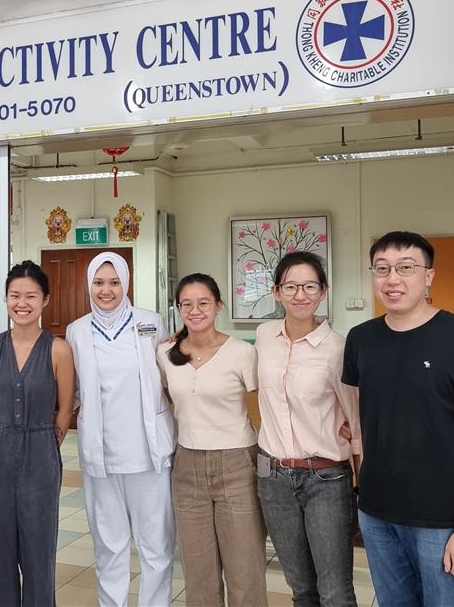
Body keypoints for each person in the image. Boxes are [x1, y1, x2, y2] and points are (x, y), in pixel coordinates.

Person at [343, 231, 454, 607]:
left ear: (429, 276)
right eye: (382, 269)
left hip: (442, 520)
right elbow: (362, 422)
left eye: (406, 268)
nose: (392, 279)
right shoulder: (361, 339)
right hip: (376, 515)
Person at [66, 251, 175, 607]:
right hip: (102, 456)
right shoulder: (77, 331)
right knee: (109, 544)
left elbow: (167, 375)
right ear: (89, 285)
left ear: (125, 283)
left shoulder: (150, 322)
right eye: (99, 282)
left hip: (148, 453)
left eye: (114, 282)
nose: (106, 290)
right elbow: (73, 389)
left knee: (155, 544)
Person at [255, 252, 360, 607]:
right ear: (276, 292)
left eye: (310, 286)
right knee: (301, 589)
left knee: (335, 591)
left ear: (323, 291)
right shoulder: (264, 335)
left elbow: (355, 419)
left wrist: (361, 479)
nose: (300, 295)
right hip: (273, 478)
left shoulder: (338, 348)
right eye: (291, 287)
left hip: (325, 479)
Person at [157, 273, 267, 606]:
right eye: (186, 304)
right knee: (198, 575)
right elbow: (166, 399)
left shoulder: (241, 353)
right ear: (178, 309)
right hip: (187, 466)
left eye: (203, 303)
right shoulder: (165, 353)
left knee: (245, 572)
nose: (195, 310)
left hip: (237, 464)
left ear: (218, 306)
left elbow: (264, 407)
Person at [0, 260, 75, 605]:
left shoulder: (58, 349)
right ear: (5, 299)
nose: (22, 303)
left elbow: (65, 410)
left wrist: (43, 440)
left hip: (40, 456)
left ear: (45, 300)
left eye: (31, 296)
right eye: (15, 295)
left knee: (39, 551)